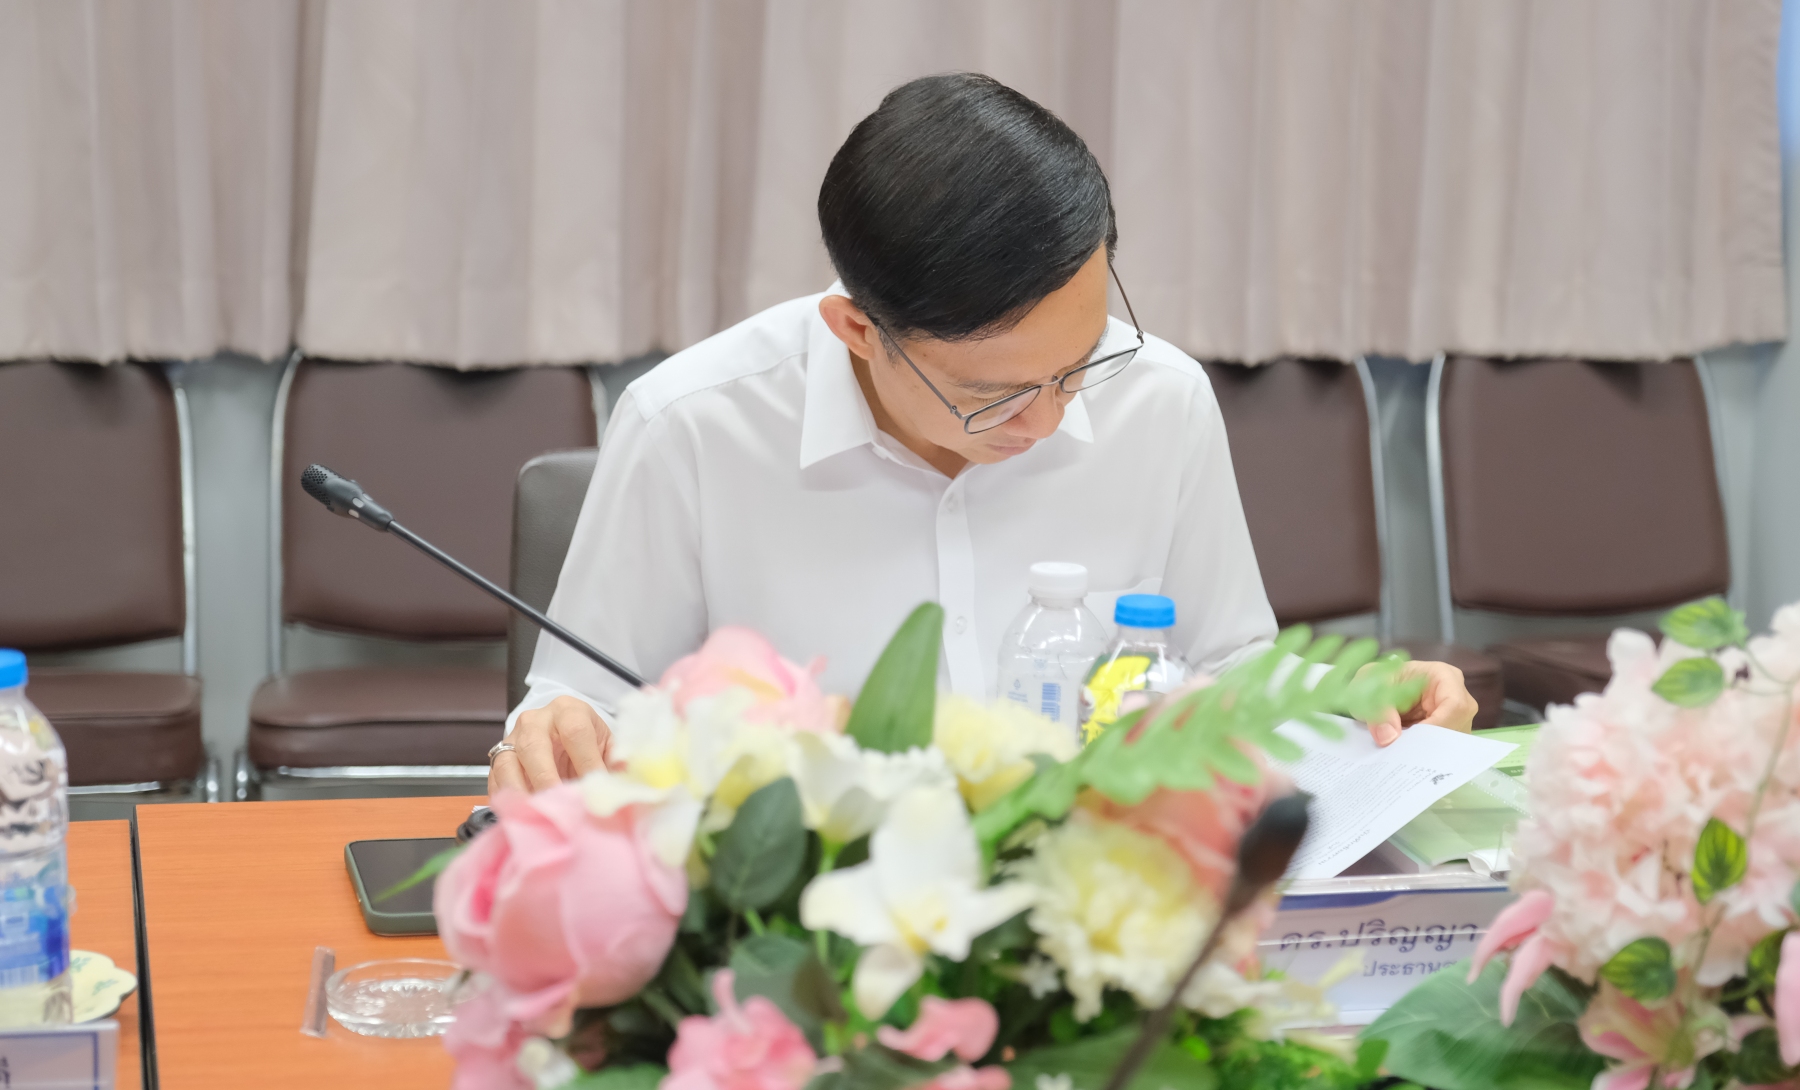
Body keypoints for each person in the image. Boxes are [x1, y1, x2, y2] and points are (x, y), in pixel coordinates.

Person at [490, 72, 1476, 793]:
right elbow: (584, 710)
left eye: (1077, 364)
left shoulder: (1160, 399)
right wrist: (553, 736)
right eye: (991, 395)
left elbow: (1220, 669)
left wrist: (1352, 696)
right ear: (858, 331)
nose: (1048, 419)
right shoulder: (690, 426)